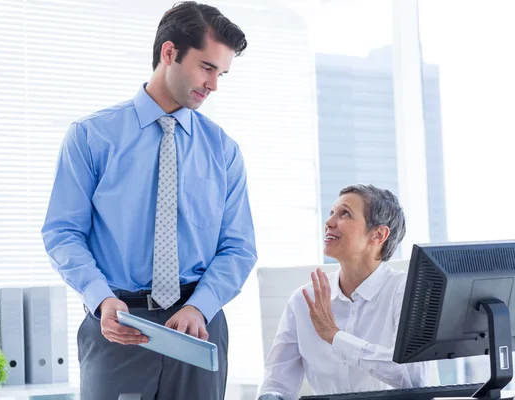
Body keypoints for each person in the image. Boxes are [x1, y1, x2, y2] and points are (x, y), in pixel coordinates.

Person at [41, 2, 257, 399]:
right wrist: (100, 298)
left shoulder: (223, 150)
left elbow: (238, 247)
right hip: (118, 326)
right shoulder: (92, 137)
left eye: (222, 73)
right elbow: (63, 232)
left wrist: (200, 307)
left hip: (198, 327)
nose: (214, 85)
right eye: (207, 68)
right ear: (170, 53)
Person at [257, 184, 438, 400]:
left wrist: (335, 336)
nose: (329, 222)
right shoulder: (303, 300)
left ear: (378, 234)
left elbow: (412, 379)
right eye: (332, 213)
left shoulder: (407, 293)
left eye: (345, 214)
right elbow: (277, 384)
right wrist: (271, 396)